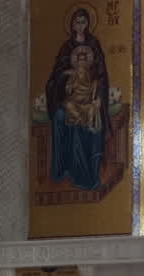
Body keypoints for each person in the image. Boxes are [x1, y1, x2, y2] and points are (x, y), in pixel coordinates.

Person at [46, 8, 110, 190]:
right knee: (63, 116)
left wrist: (97, 94)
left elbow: (102, 75)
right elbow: (56, 77)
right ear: (72, 24)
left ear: (88, 24)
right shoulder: (66, 48)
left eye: (83, 22)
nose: (80, 26)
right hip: (71, 98)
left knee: (93, 119)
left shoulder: (94, 44)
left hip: (89, 96)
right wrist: (68, 74)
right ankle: (65, 169)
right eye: (77, 22)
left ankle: (90, 173)